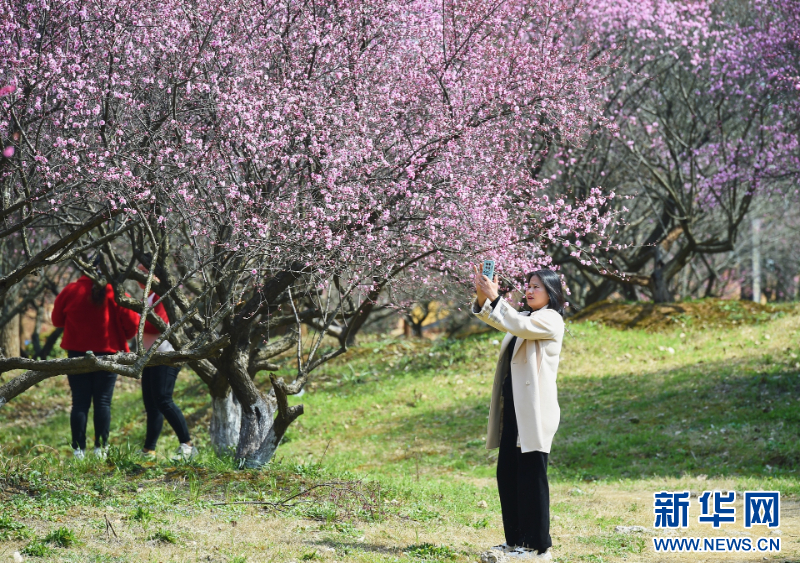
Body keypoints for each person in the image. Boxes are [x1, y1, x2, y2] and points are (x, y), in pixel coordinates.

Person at [472, 266, 566, 561]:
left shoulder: (550, 319)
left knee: (531, 477)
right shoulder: (525, 317)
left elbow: (512, 322)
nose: (529, 289)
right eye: (528, 284)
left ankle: (539, 547)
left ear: (551, 293)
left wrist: (495, 297)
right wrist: (483, 296)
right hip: (514, 408)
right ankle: (515, 542)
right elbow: (503, 320)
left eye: (536, 286)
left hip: (535, 412)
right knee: (509, 474)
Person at [51, 275, 140, 459]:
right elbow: (132, 323)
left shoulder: (71, 290)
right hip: (108, 354)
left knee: (79, 402)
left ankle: (78, 450)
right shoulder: (115, 292)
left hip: (77, 354)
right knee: (103, 402)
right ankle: (101, 448)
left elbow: (57, 320)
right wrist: (122, 333)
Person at [137, 273, 197, 461]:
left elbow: (157, 325)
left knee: (163, 399)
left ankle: (187, 445)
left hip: (166, 355)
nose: (138, 277)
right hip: (149, 357)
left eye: (143, 272)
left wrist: (136, 321)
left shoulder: (163, 295)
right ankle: (149, 450)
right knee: (151, 403)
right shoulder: (148, 296)